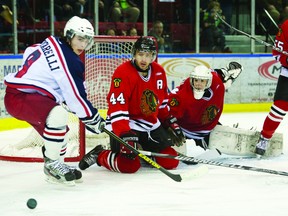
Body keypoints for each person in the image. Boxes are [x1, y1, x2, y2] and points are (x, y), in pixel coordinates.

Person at [4, 16, 105, 185]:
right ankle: (52, 164)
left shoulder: (52, 43)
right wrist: (93, 120)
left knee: (60, 133)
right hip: (20, 98)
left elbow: (31, 51)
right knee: (58, 114)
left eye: (86, 40)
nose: (82, 45)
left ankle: (56, 169)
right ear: (69, 35)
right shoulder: (70, 59)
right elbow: (76, 98)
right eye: (79, 39)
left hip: (24, 96)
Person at [78, 37, 185, 173]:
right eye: (140, 54)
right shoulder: (123, 72)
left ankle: (143, 152)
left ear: (153, 56)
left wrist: (169, 122)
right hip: (127, 124)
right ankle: (100, 154)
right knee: (129, 166)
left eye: (148, 55)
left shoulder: (159, 72)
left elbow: (162, 103)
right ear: (134, 54)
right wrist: (124, 133)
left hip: (149, 125)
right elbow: (117, 108)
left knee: (170, 161)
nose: (143, 60)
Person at [168, 62, 242, 150]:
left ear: (208, 81)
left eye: (202, 81)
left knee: (224, 86)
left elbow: (216, 73)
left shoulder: (216, 82)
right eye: (196, 80)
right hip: (185, 130)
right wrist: (173, 126)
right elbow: (167, 112)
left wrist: (228, 76)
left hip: (206, 127)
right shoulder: (182, 94)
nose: (198, 84)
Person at [255, 18, 288, 157]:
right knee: (279, 107)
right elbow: (277, 53)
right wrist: (286, 59)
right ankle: (265, 138)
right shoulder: (287, 26)